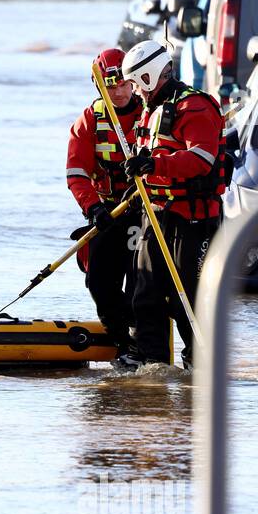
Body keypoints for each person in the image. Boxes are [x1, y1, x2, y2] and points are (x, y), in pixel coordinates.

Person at [119, 39, 226, 370]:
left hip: (193, 220)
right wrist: (138, 184)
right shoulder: (151, 113)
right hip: (158, 213)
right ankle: (152, 366)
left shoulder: (195, 107)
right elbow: (151, 157)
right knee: (145, 292)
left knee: (190, 299)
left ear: (150, 77)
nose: (135, 92)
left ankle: (200, 364)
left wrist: (155, 166)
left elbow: (201, 159)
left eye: (137, 84)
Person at [67, 48, 145, 366]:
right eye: (112, 86)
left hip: (146, 213)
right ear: (100, 87)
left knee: (145, 282)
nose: (120, 92)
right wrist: (93, 208)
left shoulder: (150, 115)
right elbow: (76, 174)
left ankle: (151, 345)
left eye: (125, 84)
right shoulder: (89, 121)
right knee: (99, 282)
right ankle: (123, 343)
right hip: (108, 215)